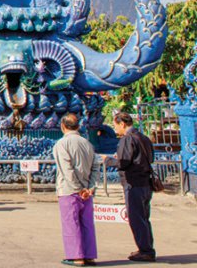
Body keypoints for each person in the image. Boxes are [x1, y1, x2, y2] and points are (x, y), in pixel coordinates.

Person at [52, 112, 99, 267]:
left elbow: (67, 170)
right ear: (78, 126)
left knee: (71, 223)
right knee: (87, 223)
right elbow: (95, 167)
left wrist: (78, 189)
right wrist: (89, 188)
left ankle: (76, 256)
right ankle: (89, 255)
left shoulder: (61, 144)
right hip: (86, 191)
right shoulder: (87, 143)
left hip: (69, 190)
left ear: (63, 126)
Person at [110, 112, 156, 262]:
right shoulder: (143, 138)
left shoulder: (127, 139)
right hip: (146, 183)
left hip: (133, 183)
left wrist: (108, 161)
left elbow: (123, 162)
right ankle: (146, 247)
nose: (115, 129)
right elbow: (150, 158)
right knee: (144, 218)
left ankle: (146, 250)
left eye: (115, 125)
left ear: (122, 124)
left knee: (136, 218)